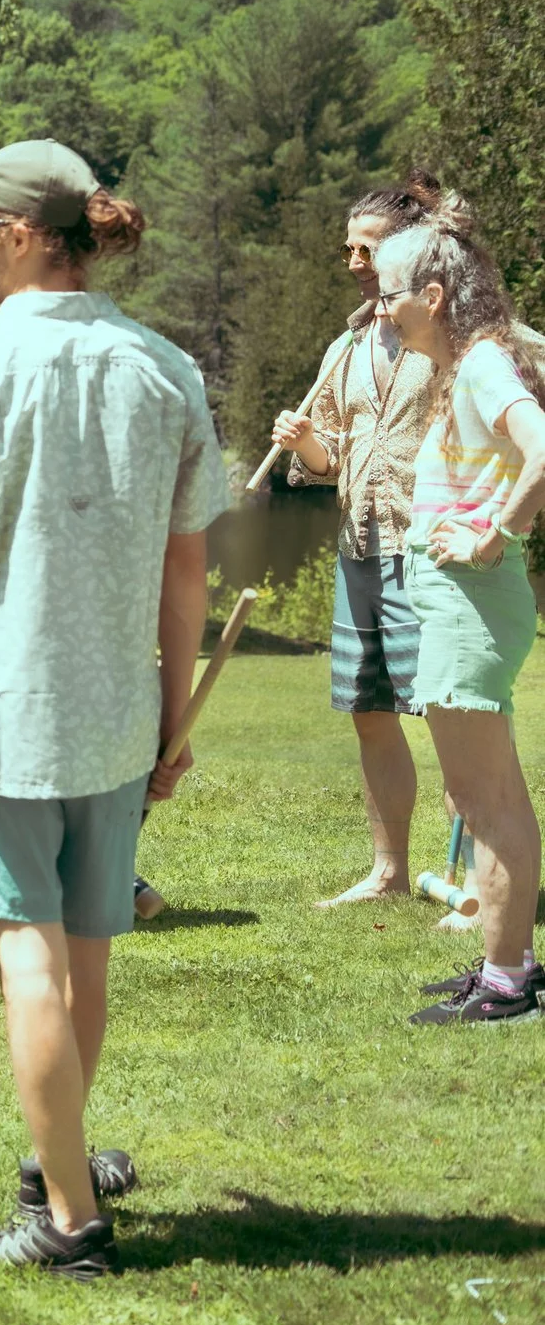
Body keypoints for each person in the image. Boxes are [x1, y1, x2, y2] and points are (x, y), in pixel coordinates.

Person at [0, 139, 223, 1275]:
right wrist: (174, 714)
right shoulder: (165, 368)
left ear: (21, 235)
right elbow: (186, 572)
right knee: (89, 947)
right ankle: (54, 1158)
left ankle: (66, 1220)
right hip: (115, 709)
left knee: (26, 949)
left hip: (3, 707)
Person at [369, 203, 545, 1025]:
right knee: (487, 792)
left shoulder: (479, 366)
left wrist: (496, 531)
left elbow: (542, 444)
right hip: (457, 603)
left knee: (487, 799)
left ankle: (507, 982)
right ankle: (507, 962)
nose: (380, 309)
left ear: (432, 296)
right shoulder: (469, 363)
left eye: (387, 293)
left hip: (471, 601)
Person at [270, 174, 467, 910]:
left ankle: (475, 883)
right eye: (348, 247)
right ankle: (388, 872)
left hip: (430, 551)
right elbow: (323, 467)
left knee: (451, 719)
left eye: (368, 247)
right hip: (360, 546)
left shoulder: (451, 337)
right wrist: (308, 441)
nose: (353, 259)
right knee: (370, 712)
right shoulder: (346, 345)